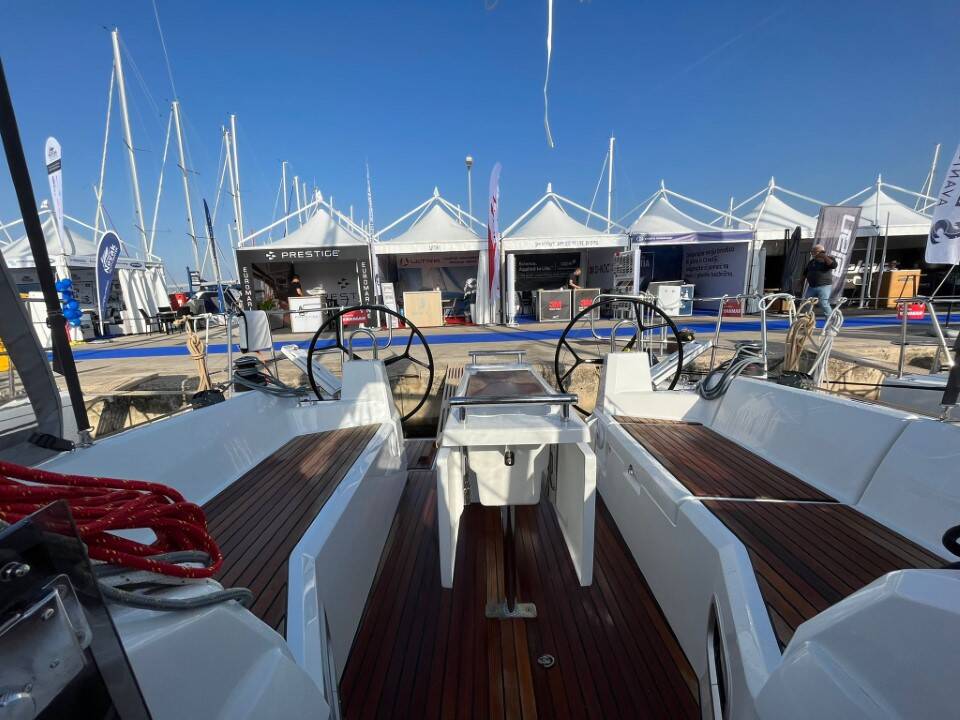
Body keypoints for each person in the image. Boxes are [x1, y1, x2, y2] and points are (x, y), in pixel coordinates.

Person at [803, 244, 837, 315]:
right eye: (812, 252)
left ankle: (830, 319)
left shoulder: (829, 259)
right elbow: (805, 272)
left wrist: (824, 256)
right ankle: (807, 319)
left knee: (823, 303)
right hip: (812, 286)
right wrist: (800, 281)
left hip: (824, 286)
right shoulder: (812, 261)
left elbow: (833, 265)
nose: (812, 253)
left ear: (820, 252)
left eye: (814, 252)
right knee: (806, 303)